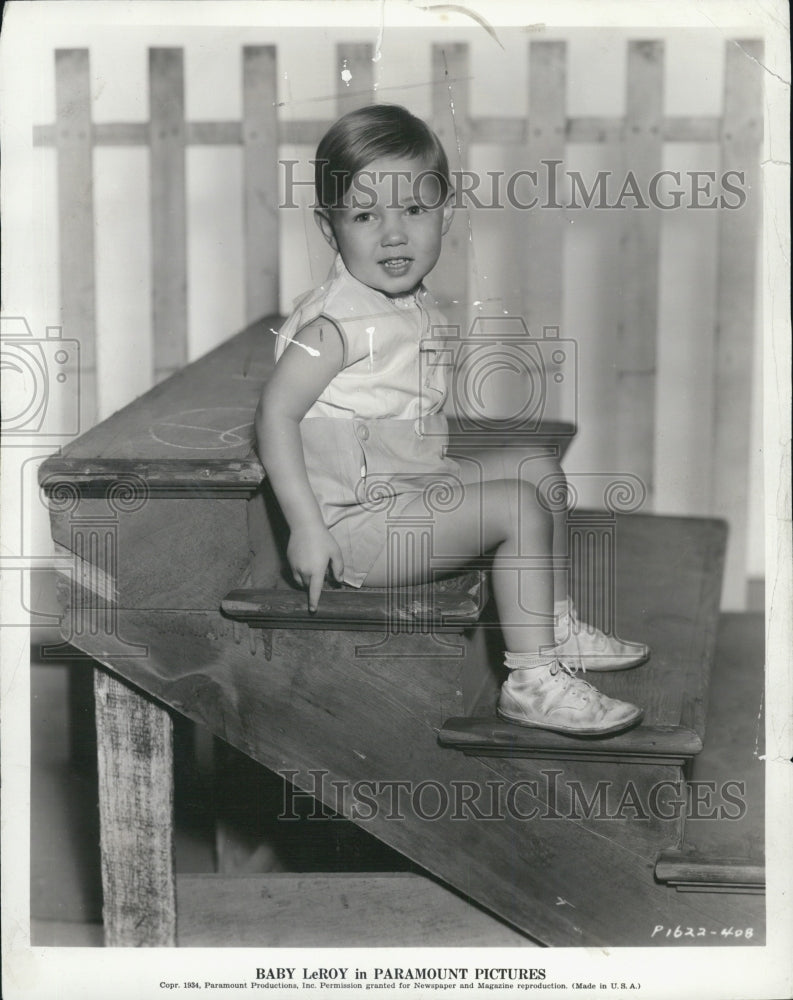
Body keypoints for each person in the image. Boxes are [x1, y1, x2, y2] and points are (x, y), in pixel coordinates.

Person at [256, 104, 645, 736]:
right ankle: (531, 681)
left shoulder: (404, 301)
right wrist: (306, 527)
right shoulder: (333, 326)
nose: (393, 234)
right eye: (364, 215)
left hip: (406, 491)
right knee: (518, 506)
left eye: (413, 209)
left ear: (446, 213)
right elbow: (275, 413)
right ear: (330, 231)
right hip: (357, 528)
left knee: (535, 466)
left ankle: (554, 625)